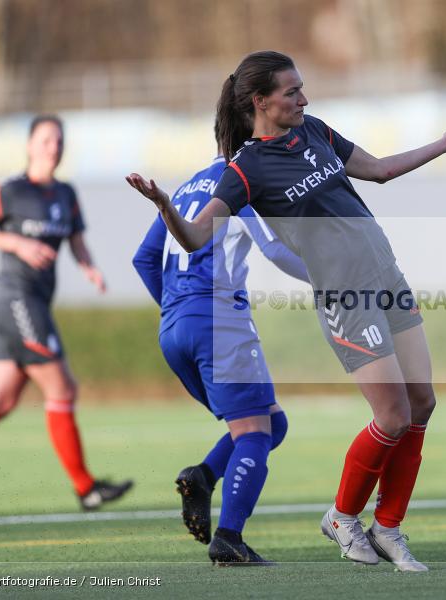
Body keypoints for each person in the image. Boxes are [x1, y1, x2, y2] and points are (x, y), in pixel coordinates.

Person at [127, 50, 446, 572]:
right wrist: (165, 205)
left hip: (386, 275)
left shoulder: (315, 130)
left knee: (422, 402)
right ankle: (342, 517)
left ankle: (388, 528)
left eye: (302, 88)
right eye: (292, 91)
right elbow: (194, 236)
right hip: (345, 296)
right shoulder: (244, 170)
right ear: (261, 101)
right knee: (392, 415)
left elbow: (382, 170)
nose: (304, 98)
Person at [0, 115, 132, 517]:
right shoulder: (9, 189)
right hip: (16, 299)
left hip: (35, 302)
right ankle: (86, 488)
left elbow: (76, 241)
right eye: (45, 140)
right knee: (62, 388)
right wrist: (17, 243)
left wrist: (89, 267)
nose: (53, 147)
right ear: (29, 145)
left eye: (59, 140)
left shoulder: (66, 193)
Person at [132, 146, 310, 565]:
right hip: (217, 323)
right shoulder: (240, 180)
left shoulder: (187, 187)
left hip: (174, 329)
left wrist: (179, 310)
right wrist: (337, 280)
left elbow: (144, 259)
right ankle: (229, 538)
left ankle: (204, 476)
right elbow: (274, 248)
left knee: (272, 423)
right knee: (255, 434)